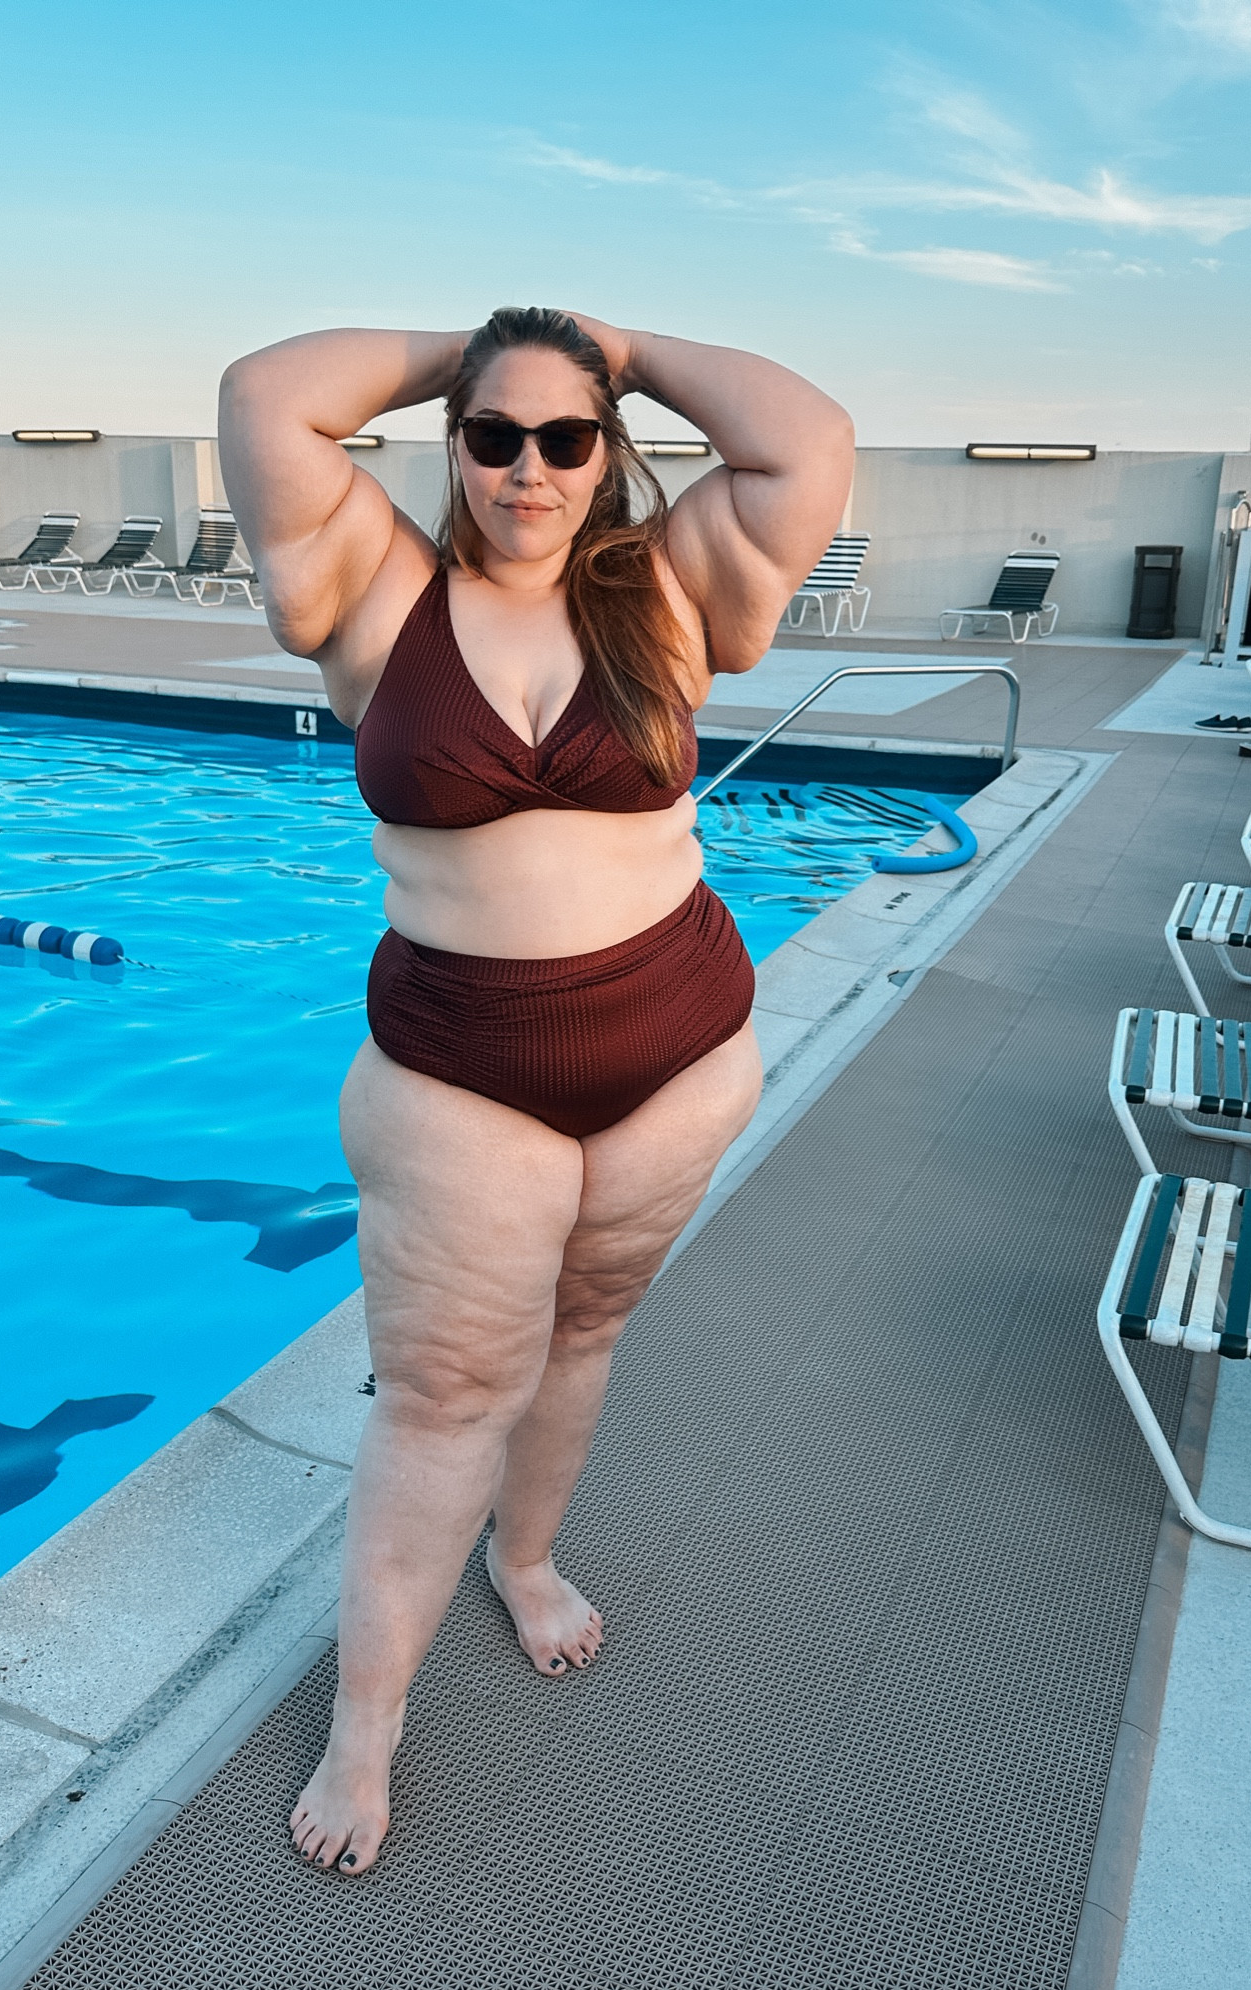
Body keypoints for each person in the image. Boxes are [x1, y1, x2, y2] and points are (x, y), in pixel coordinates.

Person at [219, 307, 852, 1875]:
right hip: (461, 1073)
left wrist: (613, 348)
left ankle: (530, 1555)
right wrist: (484, 346)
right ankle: (369, 1722)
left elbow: (808, 442)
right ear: (452, 441)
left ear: (611, 452)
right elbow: (264, 398)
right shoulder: (375, 588)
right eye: (493, 436)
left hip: (678, 1052)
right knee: (441, 1395)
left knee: (585, 1329)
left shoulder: (669, 589)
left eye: (567, 439)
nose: (528, 468)